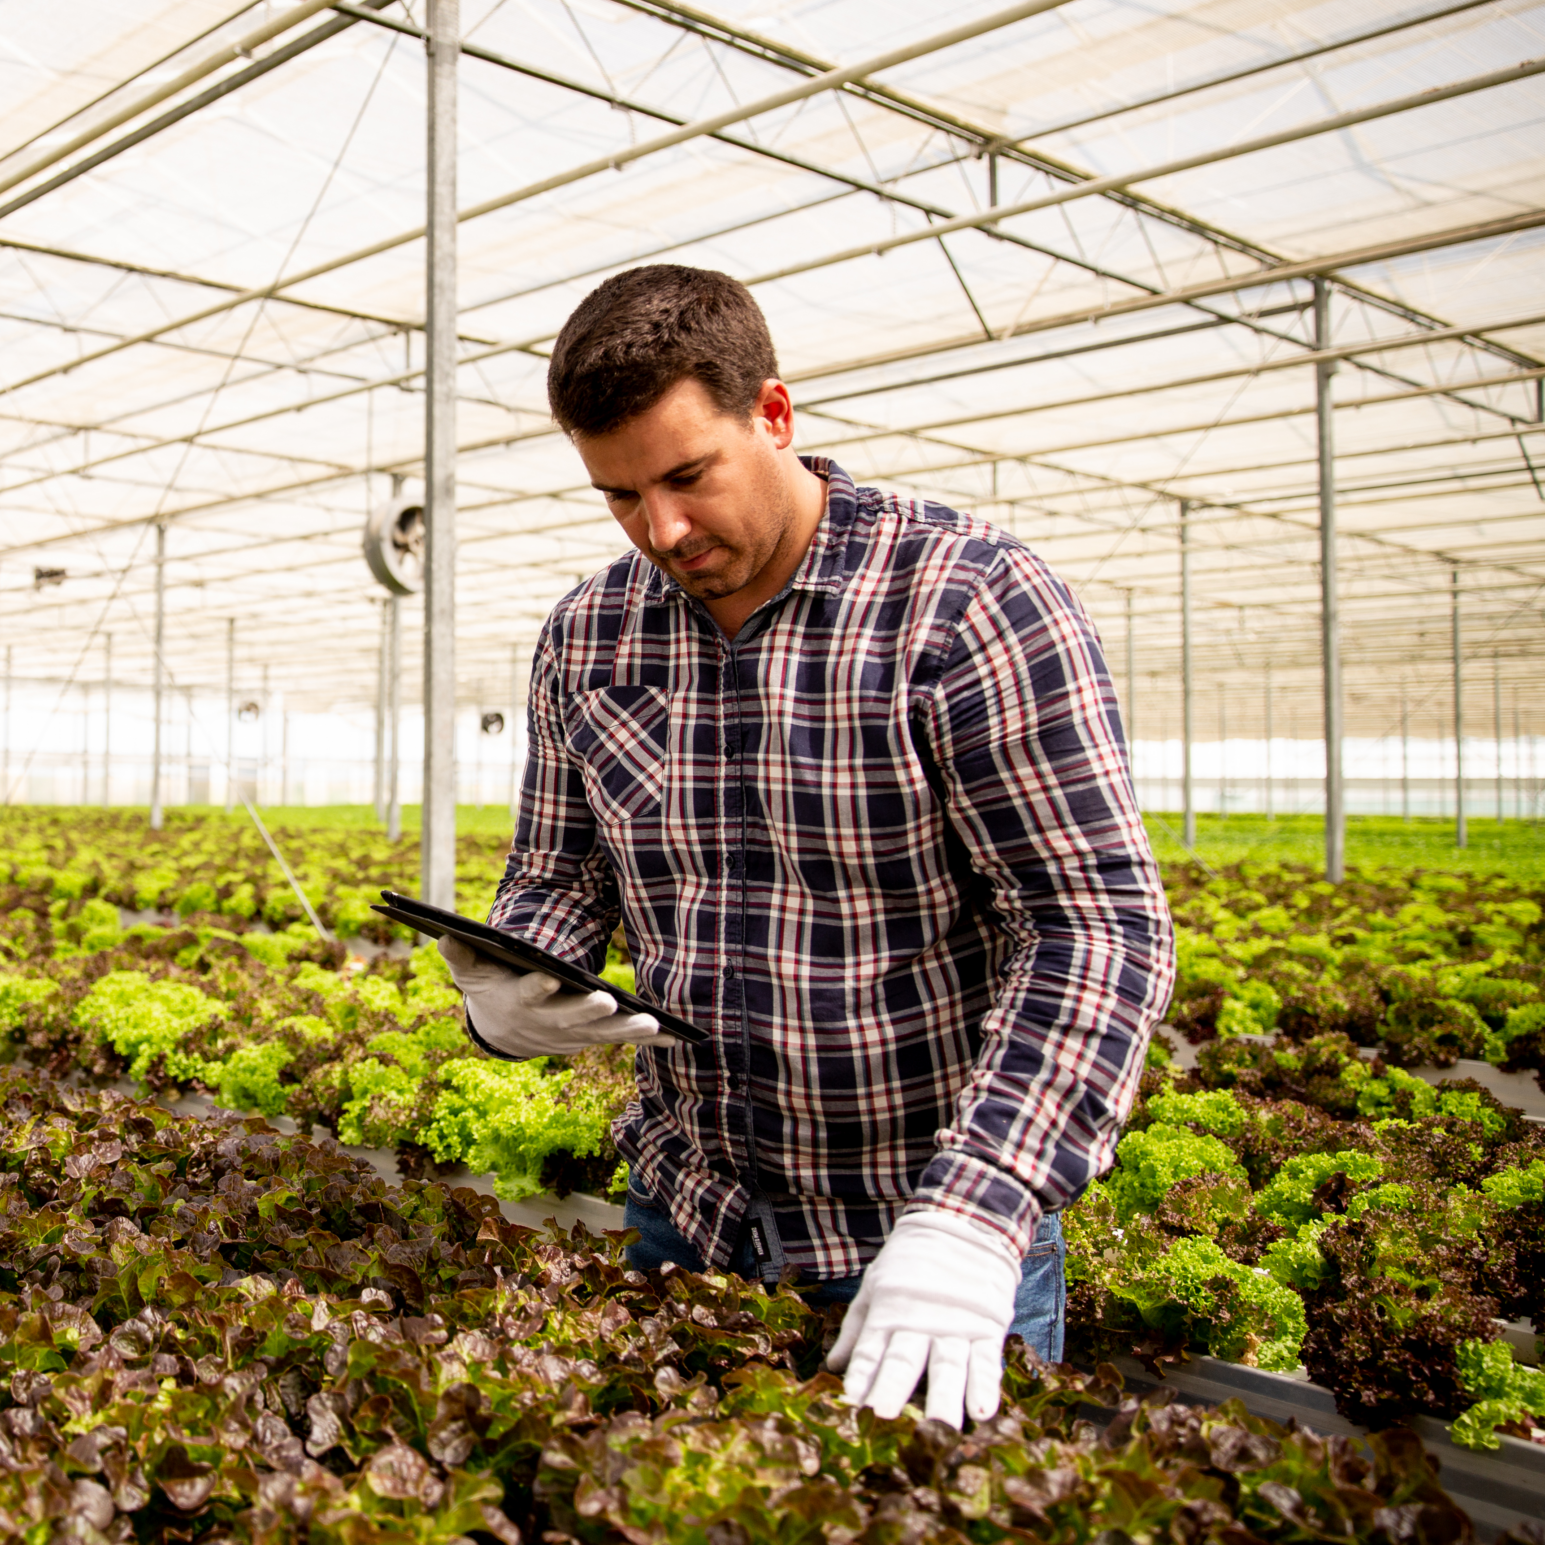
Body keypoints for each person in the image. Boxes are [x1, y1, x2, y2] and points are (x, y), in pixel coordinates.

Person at [443, 265, 1170, 1430]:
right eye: (619, 496)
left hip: (915, 1244)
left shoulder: (964, 604)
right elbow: (556, 876)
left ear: (772, 415)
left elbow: (1093, 928)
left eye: (687, 477)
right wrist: (510, 987)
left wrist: (976, 1212)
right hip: (685, 1219)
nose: (661, 530)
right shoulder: (587, 637)